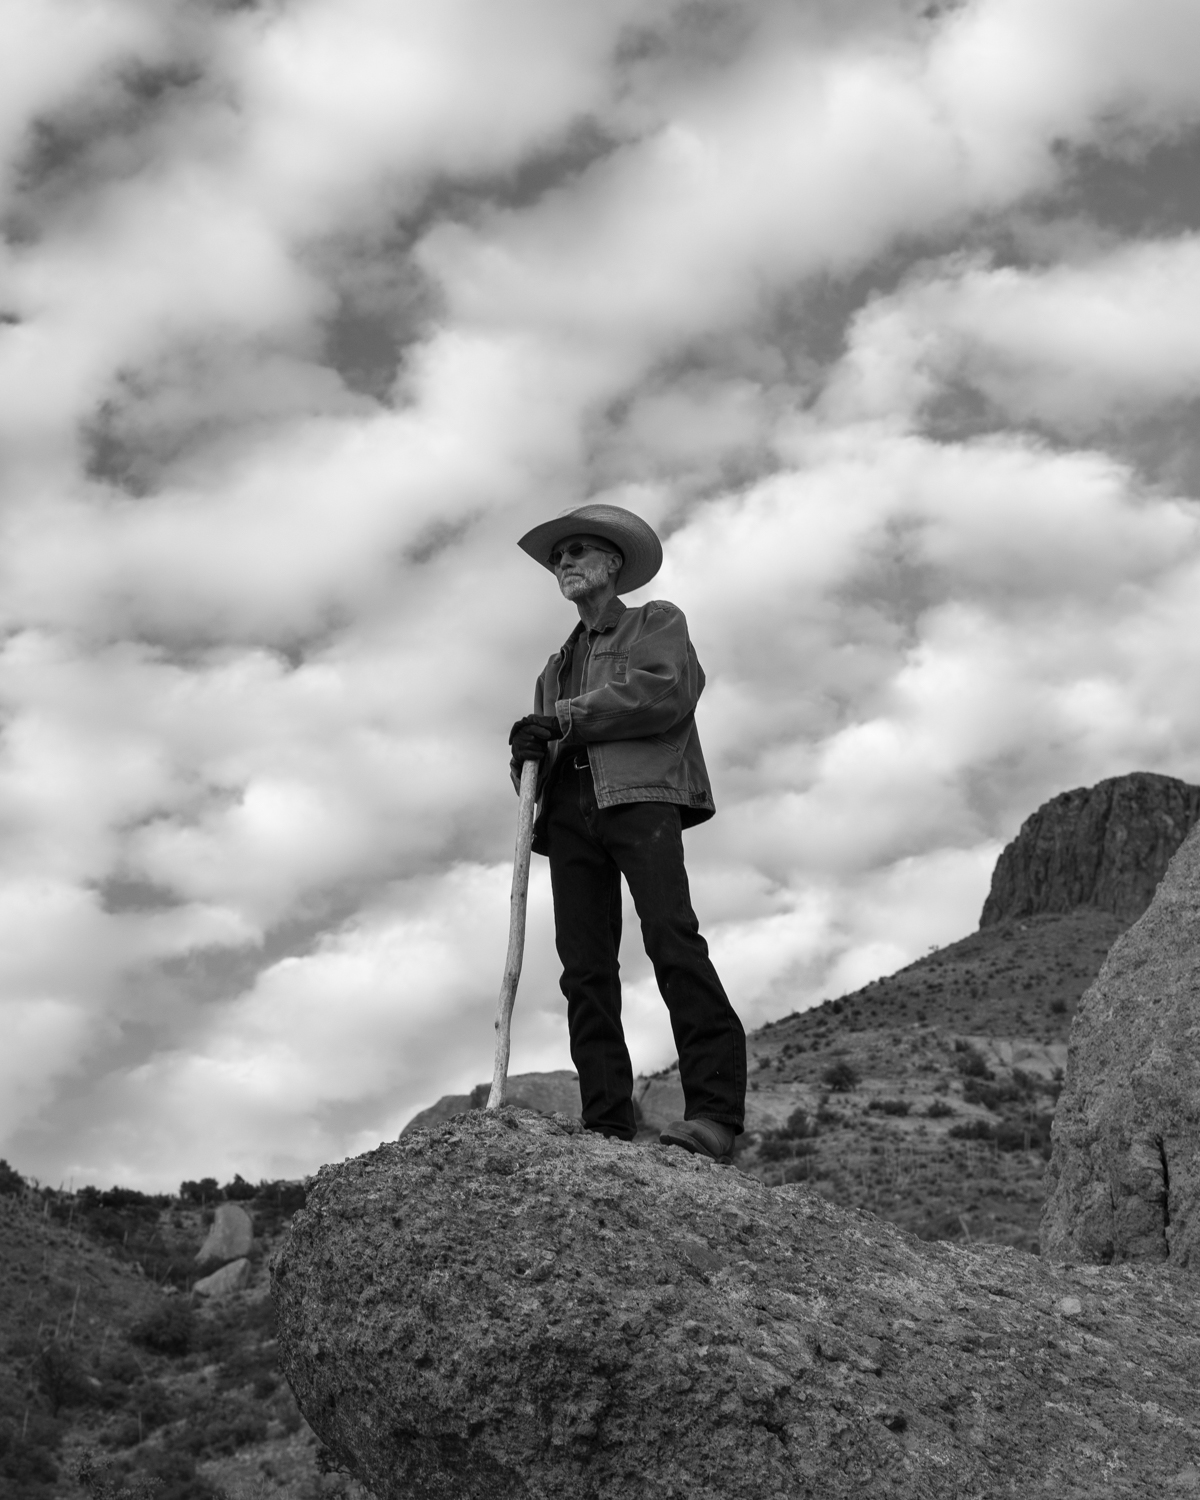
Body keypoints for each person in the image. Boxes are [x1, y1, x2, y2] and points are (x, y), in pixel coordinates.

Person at [508, 502, 746, 1164]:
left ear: (613, 563)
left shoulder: (655, 622)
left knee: (672, 940)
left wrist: (562, 719)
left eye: (578, 551)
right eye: (559, 557)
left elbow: (661, 691)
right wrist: (527, 751)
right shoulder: (553, 667)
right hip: (567, 812)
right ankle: (606, 1123)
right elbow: (543, 753)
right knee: (584, 971)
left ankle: (716, 1115)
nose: (566, 563)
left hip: (639, 799)